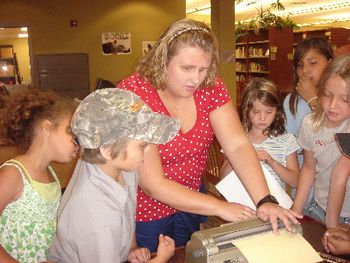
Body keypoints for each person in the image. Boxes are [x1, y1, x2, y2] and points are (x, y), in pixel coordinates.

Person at [118, 18, 301, 252]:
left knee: (187, 254)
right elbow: (152, 184)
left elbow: (236, 145)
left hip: (193, 200)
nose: (196, 79)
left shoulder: (210, 87)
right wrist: (219, 208)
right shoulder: (135, 94)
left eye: (203, 69)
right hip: (145, 209)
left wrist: (265, 200)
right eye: (187, 68)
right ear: (162, 61)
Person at [49, 88, 178, 263]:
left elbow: (127, 210)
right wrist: (161, 258)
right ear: (108, 150)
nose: (150, 150)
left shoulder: (116, 166)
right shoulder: (97, 215)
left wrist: (130, 249)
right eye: (143, 145)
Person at [0, 89, 78, 262]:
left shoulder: (52, 176)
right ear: (47, 128)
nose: (77, 142)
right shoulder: (13, 174)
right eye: (72, 133)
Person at [291, 55, 350, 225]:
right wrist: (297, 208)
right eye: (327, 95)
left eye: (344, 99)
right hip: (319, 209)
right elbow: (309, 168)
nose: (332, 105)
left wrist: (332, 226)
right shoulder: (310, 124)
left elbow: (340, 176)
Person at [220, 78, 299, 192]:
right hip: (242, 204)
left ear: (277, 111)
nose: (262, 118)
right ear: (246, 111)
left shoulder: (286, 140)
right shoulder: (236, 139)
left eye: (268, 112)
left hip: (274, 204)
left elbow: (295, 182)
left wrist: (272, 162)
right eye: (256, 112)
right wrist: (237, 157)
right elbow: (222, 177)